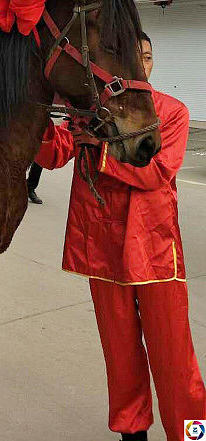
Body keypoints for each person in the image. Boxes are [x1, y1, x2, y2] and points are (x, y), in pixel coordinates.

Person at [35, 32, 205, 441]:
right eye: (135, 57)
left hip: (154, 252)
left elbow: (156, 174)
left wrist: (102, 148)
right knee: (121, 356)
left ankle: (194, 434)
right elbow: (53, 155)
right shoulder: (91, 112)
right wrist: (38, 121)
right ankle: (132, 433)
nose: (142, 64)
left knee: (174, 360)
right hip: (103, 251)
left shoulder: (172, 112)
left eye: (147, 56)